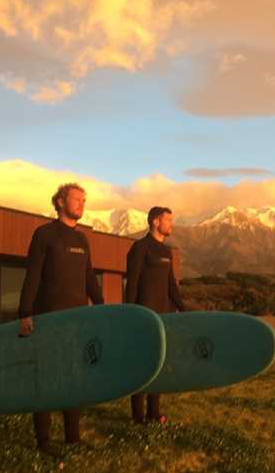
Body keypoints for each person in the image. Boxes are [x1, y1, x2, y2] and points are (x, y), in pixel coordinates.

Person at [18, 183, 103, 452]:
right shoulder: (45, 235)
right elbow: (32, 275)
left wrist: (101, 305)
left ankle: (73, 438)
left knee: (73, 378)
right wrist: (25, 313)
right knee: (45, 377)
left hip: (76, 320)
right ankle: (43, 441)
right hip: (48, 318)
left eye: (84, 200)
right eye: (76, 199)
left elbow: (89, 276)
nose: (81, 204)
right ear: (60, 202)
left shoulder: (82, 239)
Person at [124, 206, 186, 424]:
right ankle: (138, 415)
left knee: (158, 364)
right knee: (141, 364)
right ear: (155, 222)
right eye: (168, 220)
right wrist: (129, 313)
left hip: (164, 316)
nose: (172, 224)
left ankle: (153, 411)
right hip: (143, 315)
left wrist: (184, 309)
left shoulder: (166, 251)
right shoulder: (140, 248)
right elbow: (131, 283)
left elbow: (171, 285)